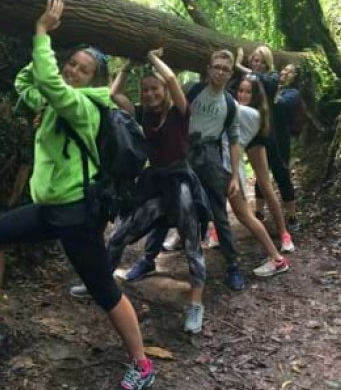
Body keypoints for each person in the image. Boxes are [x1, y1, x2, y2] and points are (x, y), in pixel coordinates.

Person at [0, 0, 155, 390]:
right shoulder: (56, 103)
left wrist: (41, 32)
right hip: (49, 209)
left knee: (104, 290)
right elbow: (25, 83)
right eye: (71, 64)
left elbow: (50, 85)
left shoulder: (83, 107)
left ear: (94, 80)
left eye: (82, 70)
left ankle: (141, 364)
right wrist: (42, 57)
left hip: (76, 216)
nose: (73, 72)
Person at [101, 48, 209, 333]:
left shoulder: (180, 112)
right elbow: (113, 95)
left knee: (191, 243)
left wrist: (149, 56)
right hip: (155, 184)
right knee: (121, 233)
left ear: (165, 90)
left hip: (180, 183)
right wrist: (127, 64)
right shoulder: (142, 115)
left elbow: (172, 78)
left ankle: (196, 305)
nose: (150, 94)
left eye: (155, 89)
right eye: (146, 90)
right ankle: (100, 282)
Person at [126, 50, 246, 290]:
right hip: (181, 151)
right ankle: (148, 259)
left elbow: (234, 140)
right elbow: (167, 88)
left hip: (209, 156)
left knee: (218, 212)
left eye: (225, 68)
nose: (220, 72)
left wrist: (234, 174)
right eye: (216, 66)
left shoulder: (231, 104)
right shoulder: (192, 89)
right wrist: (154, 58)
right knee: (166, 203)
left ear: (231, 73)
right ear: (208, 68)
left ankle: (233, 264)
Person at [227, 75, 294, 276]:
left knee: (265, 186)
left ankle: (283, 235)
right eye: (240, 91)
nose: (243, 95)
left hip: (256, 142)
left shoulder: (252, 113)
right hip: (235, 147)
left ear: (256, 95)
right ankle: (213, 233)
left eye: (248, 92)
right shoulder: (238, 110)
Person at [235, 46, 299, 231]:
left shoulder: (271, 78)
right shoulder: (248, 81)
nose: (258, 65)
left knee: (280, 172)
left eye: (262, 61)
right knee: (260, 175)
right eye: (255, 60)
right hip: (253, 133)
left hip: (274, 135)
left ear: (268, 63)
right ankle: (259, 211)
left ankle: (292, 215)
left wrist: (239, 65)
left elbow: (266, 82)